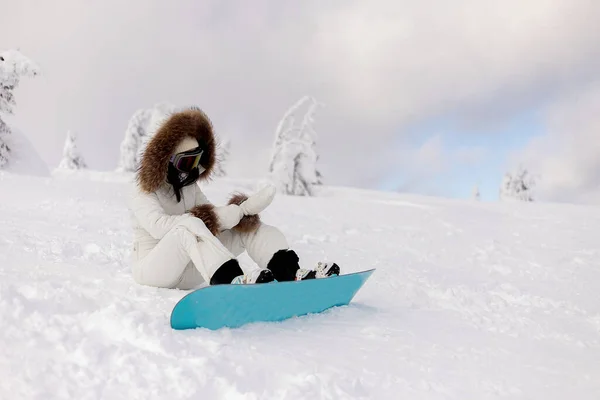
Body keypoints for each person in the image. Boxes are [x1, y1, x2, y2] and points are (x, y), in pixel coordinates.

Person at [128, 106, 340, 289]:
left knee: (244, 227)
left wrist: (242, 212)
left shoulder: (189, 188)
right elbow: (157, 225)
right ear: (167, 160)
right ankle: (230, 281)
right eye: (186, 162)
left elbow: (212, 222)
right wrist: (212, 218)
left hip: (190, 268)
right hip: (153, 271)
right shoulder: (143, 189)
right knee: (189, 228)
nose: (190, 170)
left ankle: (290, 272)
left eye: (197, 162)